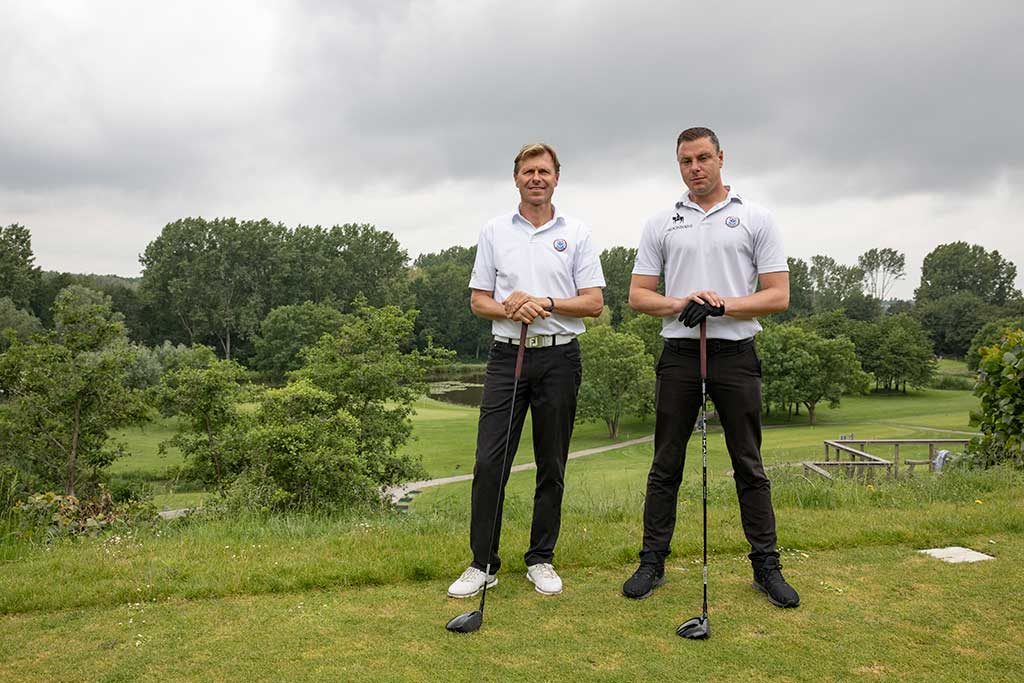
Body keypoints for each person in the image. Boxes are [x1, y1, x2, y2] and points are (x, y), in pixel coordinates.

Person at [621, 127, 800, 608]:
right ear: (678, 165)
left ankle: (767, 567)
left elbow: (778, 295)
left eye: (703, 158)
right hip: (680, 353)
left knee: (749, 464)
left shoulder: (755, 217)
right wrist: (682, 302)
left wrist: (724, 306)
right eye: (685, 161)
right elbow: (638, 295)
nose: (695, 168)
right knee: (665, 465)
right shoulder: (662, 221)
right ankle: (651, 562)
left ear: (721, 158)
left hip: (735, 353)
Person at [447, 143, 606, 599]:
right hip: (506, 356)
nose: (536, 178)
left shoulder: (576, 232)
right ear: (515, 178)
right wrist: (510, 306)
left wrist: (546, 303)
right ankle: (483, 563)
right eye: (528, 171)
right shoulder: (495, 231)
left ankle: (540, 558)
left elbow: (593, 302)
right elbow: (480, 300)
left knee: (551, 462)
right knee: (488, 461)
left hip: (559, 356)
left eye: (545, 171)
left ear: (557, 177)